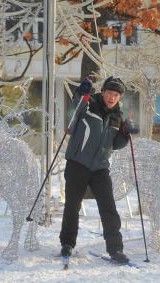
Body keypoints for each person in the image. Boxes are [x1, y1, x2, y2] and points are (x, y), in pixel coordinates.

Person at [59, 76, 136, 264]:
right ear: (102, 92)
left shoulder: (118, 116)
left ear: (119, 98)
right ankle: (67, 243)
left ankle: (115, 249)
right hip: (78, 163)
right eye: (109, 93)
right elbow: (76, 106)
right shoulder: (89, 104)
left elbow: (115, 144)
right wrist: (81, 92)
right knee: (72, 206)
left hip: (100, 168)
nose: (112, 98)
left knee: (109, 208)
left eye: (116, 95)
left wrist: (125, 134)